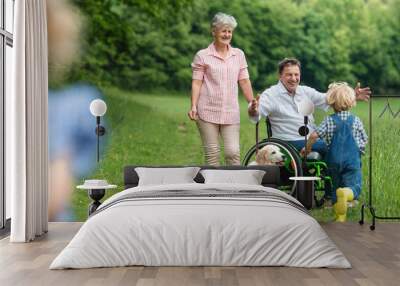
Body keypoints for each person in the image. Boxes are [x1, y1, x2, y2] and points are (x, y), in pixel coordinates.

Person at [247, 58, 371, 156]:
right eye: (289, 75)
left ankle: (336, 179)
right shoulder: (271, 94)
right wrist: (253, 110)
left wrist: (351, 95)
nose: (294, 78)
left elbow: (329, 99)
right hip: (287, 142)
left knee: (338, 141)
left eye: (296, 74)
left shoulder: (305, 91)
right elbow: (257, 111)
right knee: (334, 144)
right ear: (280, 76)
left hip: (311, 140)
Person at [188, 12, 255, 166]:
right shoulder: (203, 56)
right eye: (223, 30)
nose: (227, 34)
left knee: (233, 153)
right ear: (214, 32)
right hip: (207, 110)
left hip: (230, 112)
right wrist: (193, 105)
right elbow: (197, 82)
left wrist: (252, 103)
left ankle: (235, 188)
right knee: (212, 155)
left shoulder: (238, 55)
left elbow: (244, 81)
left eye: (229, 31)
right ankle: (214, 189)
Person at [301, 82, 368, 222]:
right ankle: (347, 194)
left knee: (335, 188)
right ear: (351, 101)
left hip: (333, 160)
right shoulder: (356, 120)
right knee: (353, 187)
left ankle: (340, 216)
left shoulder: (329, 120)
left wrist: (307, 149)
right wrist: (359, 152)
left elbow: (313, 136)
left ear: (331, 103)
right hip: (352, 160)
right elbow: (363, 139)